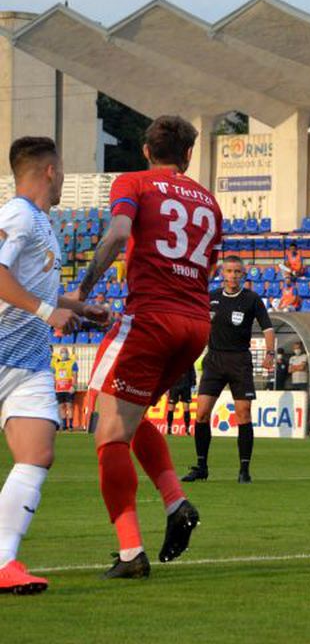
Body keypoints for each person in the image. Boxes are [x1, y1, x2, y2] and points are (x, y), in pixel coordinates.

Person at [77, 116, 222, 578]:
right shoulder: (210, 201)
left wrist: (81, 293)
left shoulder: (135, 181)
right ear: (189, 155)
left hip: (150, 318)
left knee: (106, 428)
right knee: (132, 417)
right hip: (195, 324)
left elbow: (119, 234)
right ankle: (175, 501)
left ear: (145, 151)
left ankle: (129, 553)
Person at [0, 137, 107, 594]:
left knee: (38, 453)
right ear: (49, 170)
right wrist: (48, 313)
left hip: (27, 361)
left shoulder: (41, 222)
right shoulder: (18, 214)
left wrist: (79, 308)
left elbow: (32, 287)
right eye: (61, 169)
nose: (63, 177)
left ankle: (3, 561)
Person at [182, 255, 274, 484]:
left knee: (243, 414)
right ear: (222, 273)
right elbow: (196, 324)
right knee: (201, 413)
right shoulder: (210, 298)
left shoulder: (251, 299)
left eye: (237, 272)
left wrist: (270, 353)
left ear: (243, 275)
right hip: (213, 359)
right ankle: (201, 466)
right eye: (229, 271)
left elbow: (268, 328)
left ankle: (244, 470)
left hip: (240, 360)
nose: (233, 276)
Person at [52, 347, 78, 432]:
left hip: (68, 388)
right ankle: (64, 425)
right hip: (59, 389)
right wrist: (53, 386)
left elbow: (75, 375)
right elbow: (54, 376)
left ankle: (70, 425)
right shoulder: (56, 363)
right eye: (62, 352)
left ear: (68, 353)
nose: (64, 353)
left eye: (65, 352)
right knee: (61, 407)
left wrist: (74, 386)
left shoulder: (72, 363)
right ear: (60, 354)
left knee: (69, 406)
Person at [164, 366, 195, 436]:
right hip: (174, 386)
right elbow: (168, 373)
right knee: (171, 408)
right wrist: (166, 386)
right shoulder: (173, 359)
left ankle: (187, 430)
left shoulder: (189, 359)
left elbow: (192, 371)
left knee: (186, 408)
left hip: (186, 386)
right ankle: (169, 429)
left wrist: (193, 384)